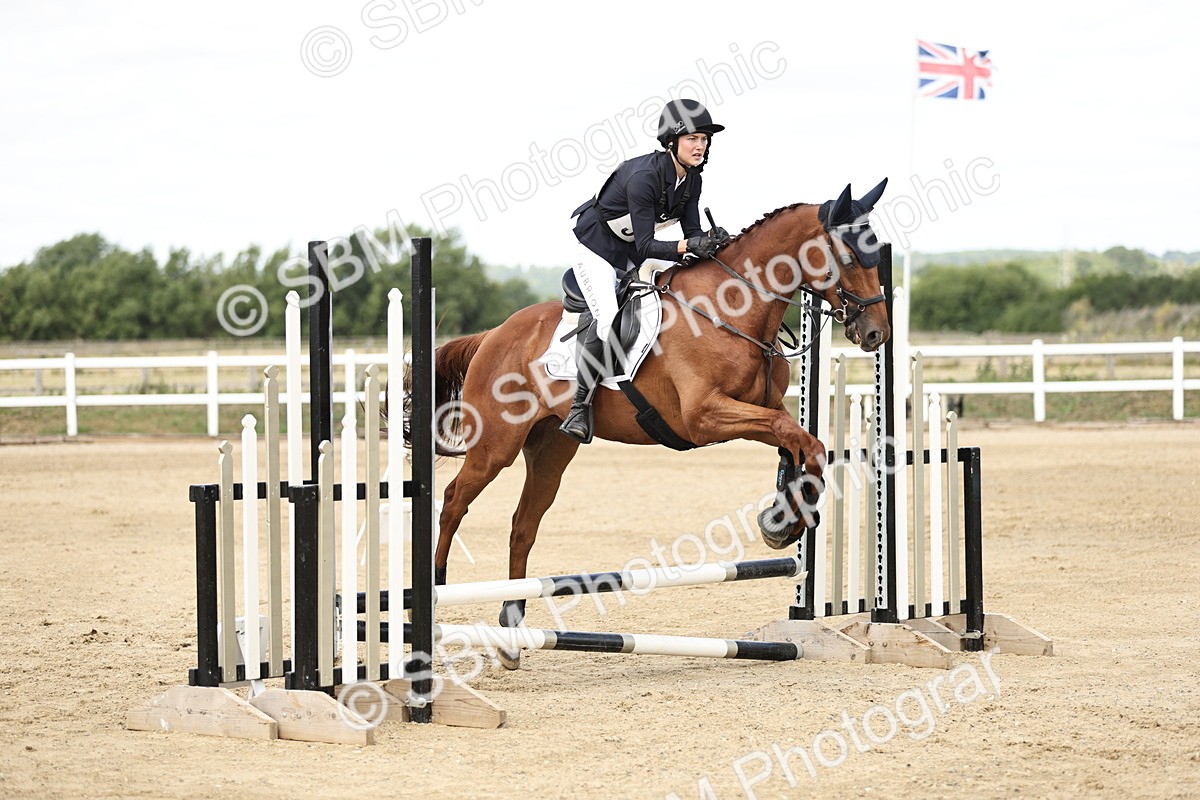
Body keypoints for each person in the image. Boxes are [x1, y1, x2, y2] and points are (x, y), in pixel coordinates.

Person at [559, 98, 731, 443]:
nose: (700, 146)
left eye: (704, 139)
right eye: (693, 139)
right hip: (600, 251)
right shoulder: (643, 178)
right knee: (608, 314)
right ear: (672, 143)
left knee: (690, 280)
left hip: (634, 252)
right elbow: (645, 247)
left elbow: (692, 233)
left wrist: (712, 243)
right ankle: (580, 405)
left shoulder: (692, 180)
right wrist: (686, 247)